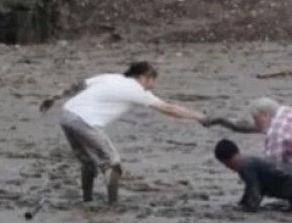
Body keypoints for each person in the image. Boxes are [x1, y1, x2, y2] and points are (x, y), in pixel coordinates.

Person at [41, 62, 206, 204]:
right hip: (85, 121)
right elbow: (169, 109)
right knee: (112, 164)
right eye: (152, 81)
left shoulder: (110, 77)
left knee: (88, 162)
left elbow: (78, 85)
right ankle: (113, 204)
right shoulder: (136, 90)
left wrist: (54, 98)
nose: (152, 86)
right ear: (146, 76)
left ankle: (87, 200)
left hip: (66, 114)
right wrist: (201, 117)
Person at [204, 97, 292, 187]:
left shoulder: (277, 131)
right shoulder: (287, 113)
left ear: (264, 115)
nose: (255, 123)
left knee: (276, 177)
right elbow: (250, 127)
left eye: (256, 118)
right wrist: (222, 121)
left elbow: (271, 166)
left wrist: (248, 172)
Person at [213, 139, 292, 213]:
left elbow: (254, 193)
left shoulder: (244, 166)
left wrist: (244, 212)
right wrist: (241, 205)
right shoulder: (251, 162)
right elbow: (253, 190)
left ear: (225, 161)